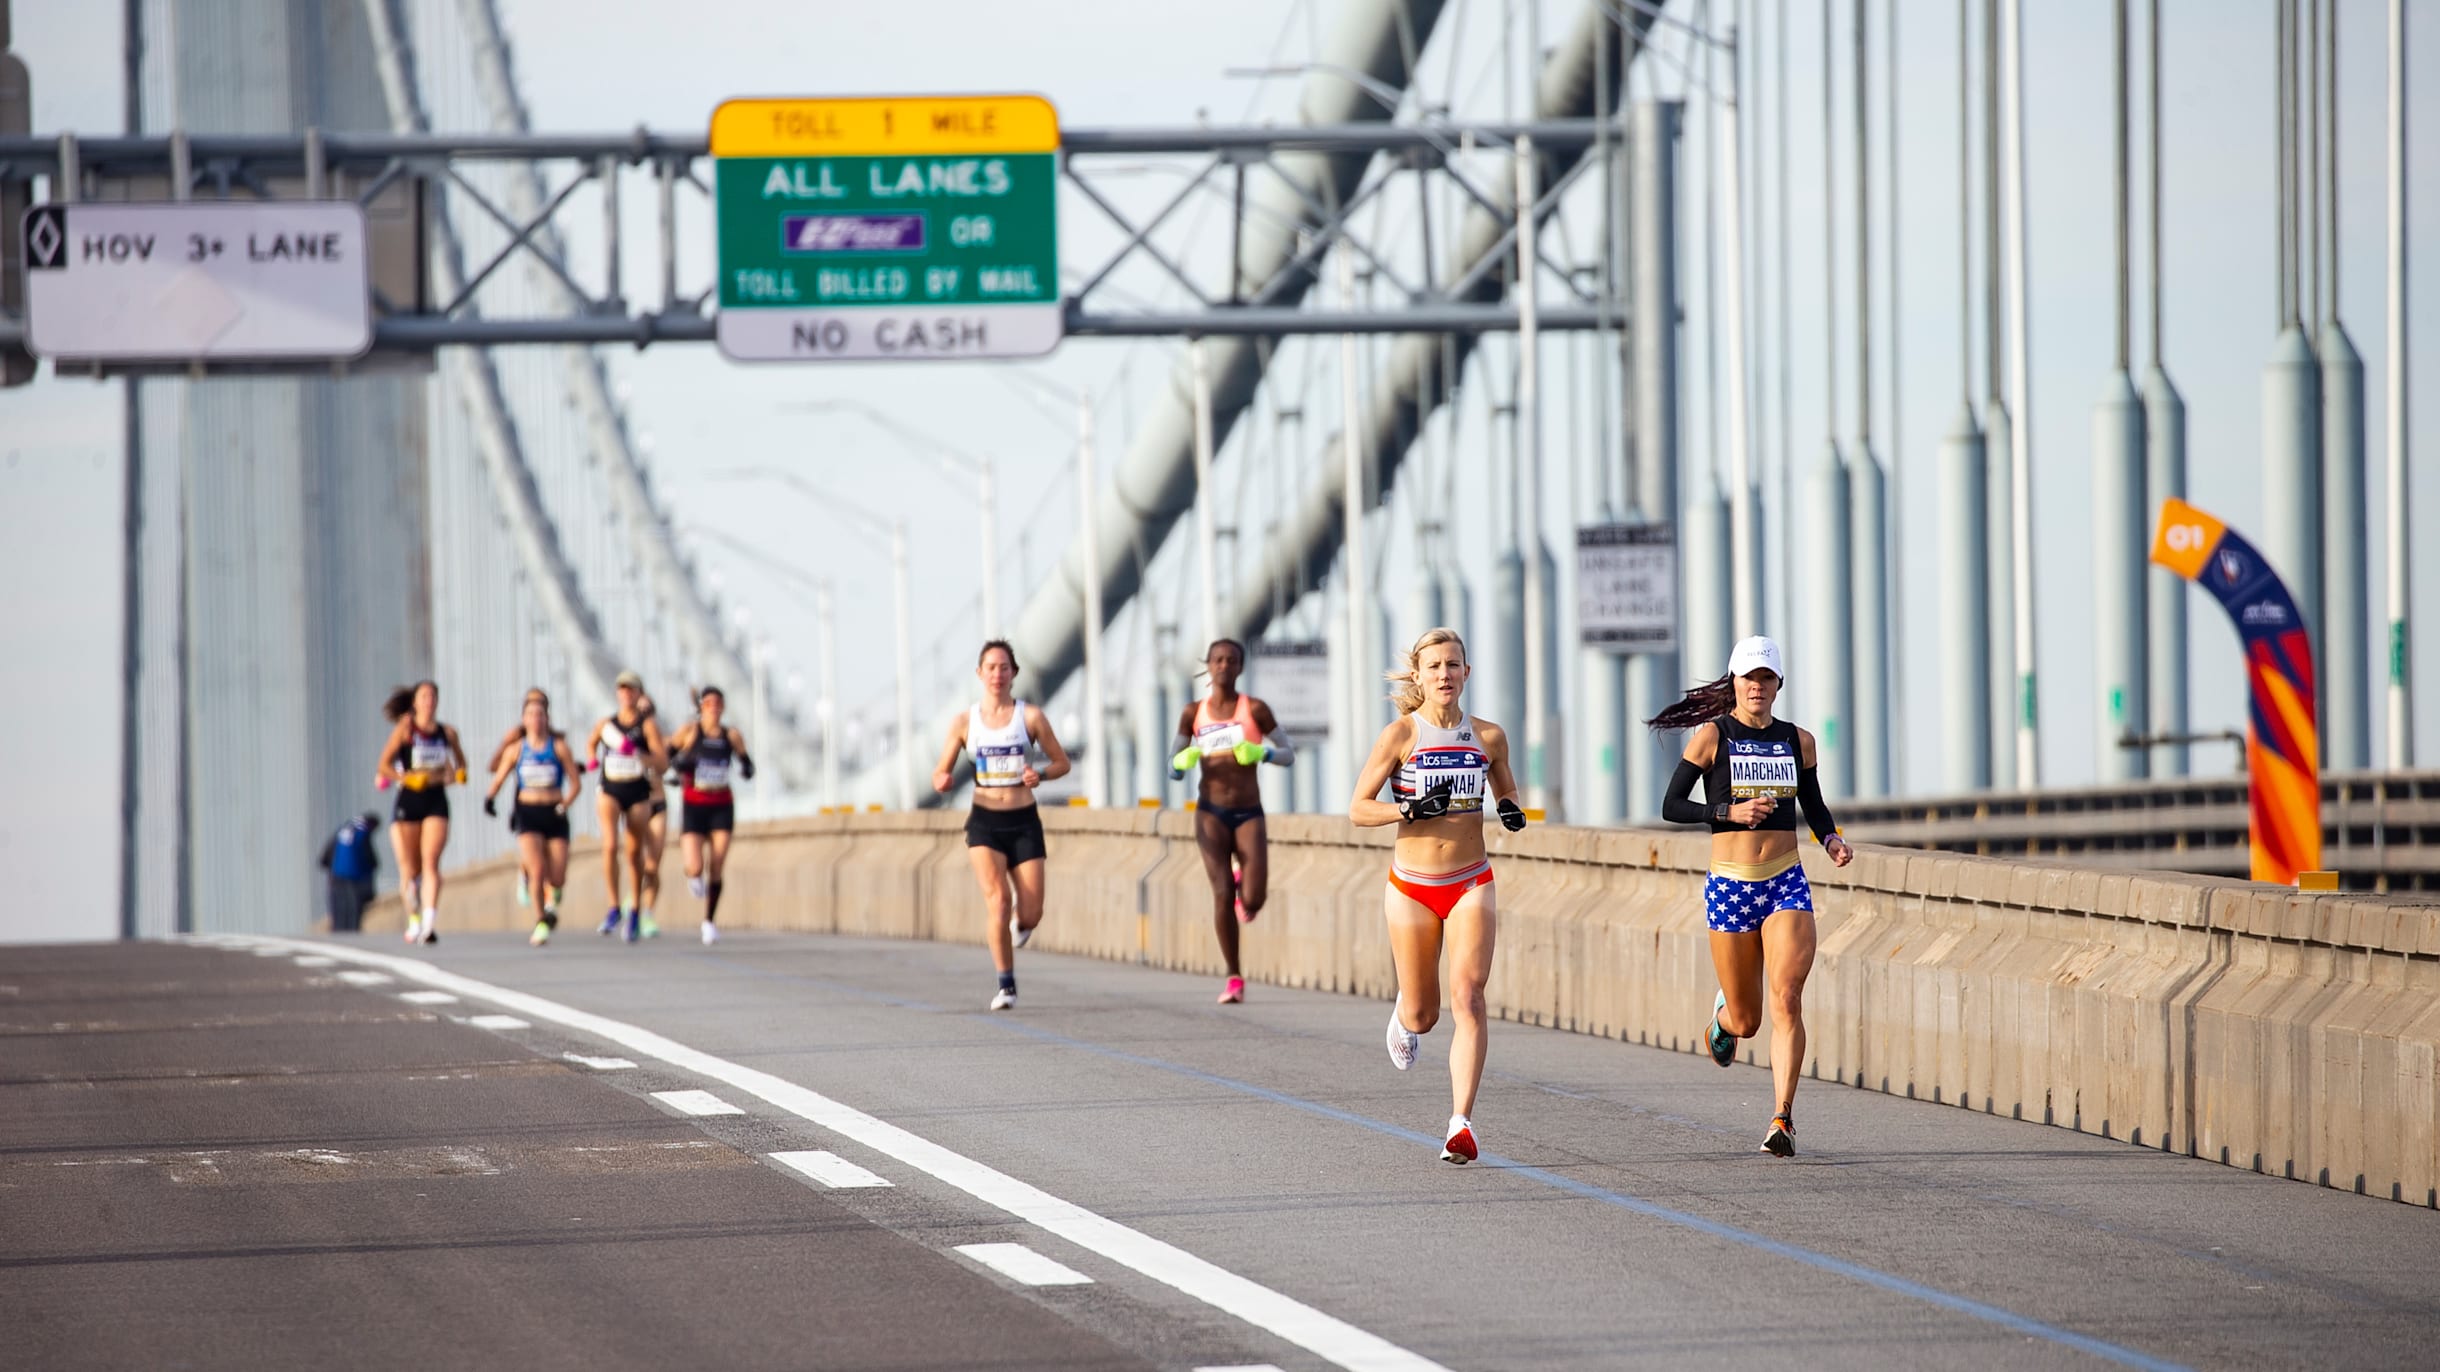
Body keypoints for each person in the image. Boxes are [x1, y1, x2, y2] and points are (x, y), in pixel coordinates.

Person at [1653, 635, 1853, 1158]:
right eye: (1748, 678)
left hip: (1785, 878)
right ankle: (1723, 1019)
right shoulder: (1712, 737)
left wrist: (1828, 838)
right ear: (1734, 682)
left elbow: (1812, 801)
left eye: (1766, 678)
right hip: (1730, 885)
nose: (1757, 687)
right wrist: (1726, 814)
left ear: (1778, 684)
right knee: (1748, 1020)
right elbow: (1672, 805)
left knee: (1787, 997)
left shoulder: (1798, 741)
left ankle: (1782, 1118)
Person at [1350, 628, 1527, 1165]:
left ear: (1467, 673)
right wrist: (1408, 811)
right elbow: (1358, 808)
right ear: (1419, 676)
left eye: (1453, 665)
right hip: (1412, 888)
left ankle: (1460, 1125)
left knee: (1469, 996)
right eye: (1434, 667)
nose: (1444, 675)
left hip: (1471, 880)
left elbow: (1506, 788)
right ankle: (1405, 1014)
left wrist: (1512, 808)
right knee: (1426, 1013)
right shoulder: (1401, 735)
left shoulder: (1489, 737)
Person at [931, 640, 1071, 1010]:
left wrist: (1039, 774)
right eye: (990, 667)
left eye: (1004, 667)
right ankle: (1005, 985)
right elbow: (941, 770)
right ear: (980, 674)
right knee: (998, 901)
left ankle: (1019, 927)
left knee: (1031, 912)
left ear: (1014, 674)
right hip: (985, 822)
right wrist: (942, 780)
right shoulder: (964, 722)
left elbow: (1062, 763)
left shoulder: (1031, 718)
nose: (997, 674)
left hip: (1023, 820)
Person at [1167, 638, 1294, 1003]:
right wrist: (1182, 761)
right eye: (1218, 660)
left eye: (1231, 660)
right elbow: (1172, 765)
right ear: (1207, 666)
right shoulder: (1193, 713)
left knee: (1253, 900)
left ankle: (1244, 885)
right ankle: (1234, 977)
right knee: (1222, 893)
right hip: (1210, 813)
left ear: (1240, 667)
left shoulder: (1254, 709)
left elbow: (1288, 754)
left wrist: (1262, 753)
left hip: (1248, 812)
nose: (1224, 665)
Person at [485, 693, 582, 946]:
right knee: (539, 870)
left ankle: (542, 888)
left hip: (554, 813)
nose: (536, 719)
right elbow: (499, 776)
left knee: (558, 877)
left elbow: (575, 783)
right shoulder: (517, 748)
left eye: (540, 715)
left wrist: (565, 804)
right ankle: (540, 921)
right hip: (528, 814)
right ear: (523, 719)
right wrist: (490, 798)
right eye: (530, 714)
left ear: (547, 719)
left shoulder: (558, 747)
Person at [373, 680, 466, 944]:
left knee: (431, 862)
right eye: (424, 696)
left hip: (435, 800)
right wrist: (407, 778)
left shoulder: (447, 733)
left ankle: (428, 923)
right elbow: (383, 765)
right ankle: (413, 917)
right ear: (415, 702)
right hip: (409, 800)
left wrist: (457, 774)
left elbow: (460, 764)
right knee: (410, 869)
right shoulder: (406, 730)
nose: (429, 701)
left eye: (432, 696)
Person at [582, 671, 668, 943]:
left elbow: (662, 762)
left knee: (633, 853)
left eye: (632, 690)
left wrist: (640, 755)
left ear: (639, 694)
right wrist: (591, 759)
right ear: (617, 694)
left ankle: (634, 910)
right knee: (609, 845)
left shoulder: (648, 726)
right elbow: (592, 741)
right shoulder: (607, 723)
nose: (626, 694)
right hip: (610, 788)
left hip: (637, 791)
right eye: (622, 689)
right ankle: (613, 906)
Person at [666, 685, 755, 945]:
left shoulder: (732, 735)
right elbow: (667, 756)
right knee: (695, 865)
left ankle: (709, 922)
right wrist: (678, 767)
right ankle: (694, 878)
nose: (713, 708)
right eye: (708, 704)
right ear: (701, 707)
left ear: (723, 708)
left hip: (721, 804)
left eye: (718, 704)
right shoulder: (689, 732)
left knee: (717, 864)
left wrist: (747, 770)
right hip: (694, 805)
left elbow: (746, 761)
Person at [484, 687, 551, 911]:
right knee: (534, 852)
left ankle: (545, 884)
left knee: (551, 852)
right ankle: (527, 876)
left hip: (552, 803)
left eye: (540, 705)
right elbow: (493, 768)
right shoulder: (517, 740)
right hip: (524, 804)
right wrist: (506, 744)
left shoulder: (554, 738)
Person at [318, 811, 381, 933]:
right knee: (355, 905)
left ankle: (338, 929)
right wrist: (373, 866)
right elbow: (368, 855)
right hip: (356, 875)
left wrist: (327, 865)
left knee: (339, 904)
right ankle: (353, 930)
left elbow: (329, 850)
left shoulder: (345, 828)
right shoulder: (364, 831)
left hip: (337, 875)